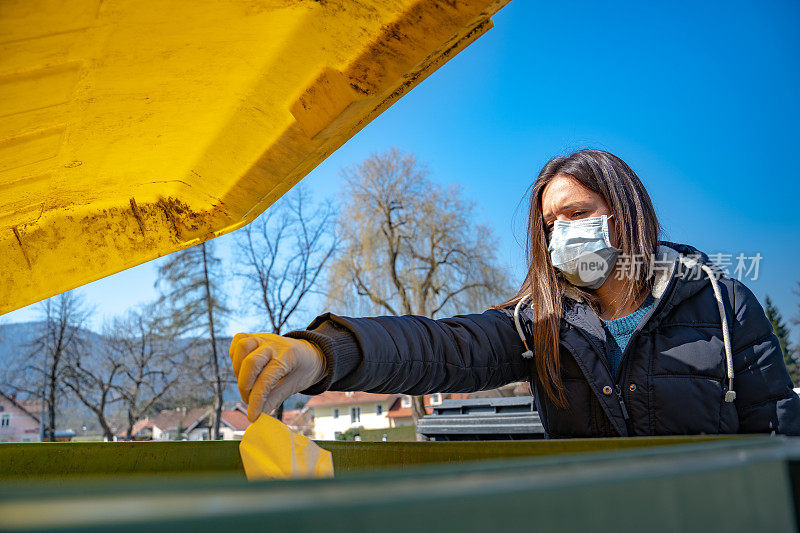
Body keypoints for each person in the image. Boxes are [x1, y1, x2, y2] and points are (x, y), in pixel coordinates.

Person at [229, 149, 800, 437]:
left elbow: (778, 432)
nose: (563, 233)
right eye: (551, 224)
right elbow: (443, 349)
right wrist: (326, 354)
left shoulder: (725, 307)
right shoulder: (543, 323)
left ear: (628, 213)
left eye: (578, 213)